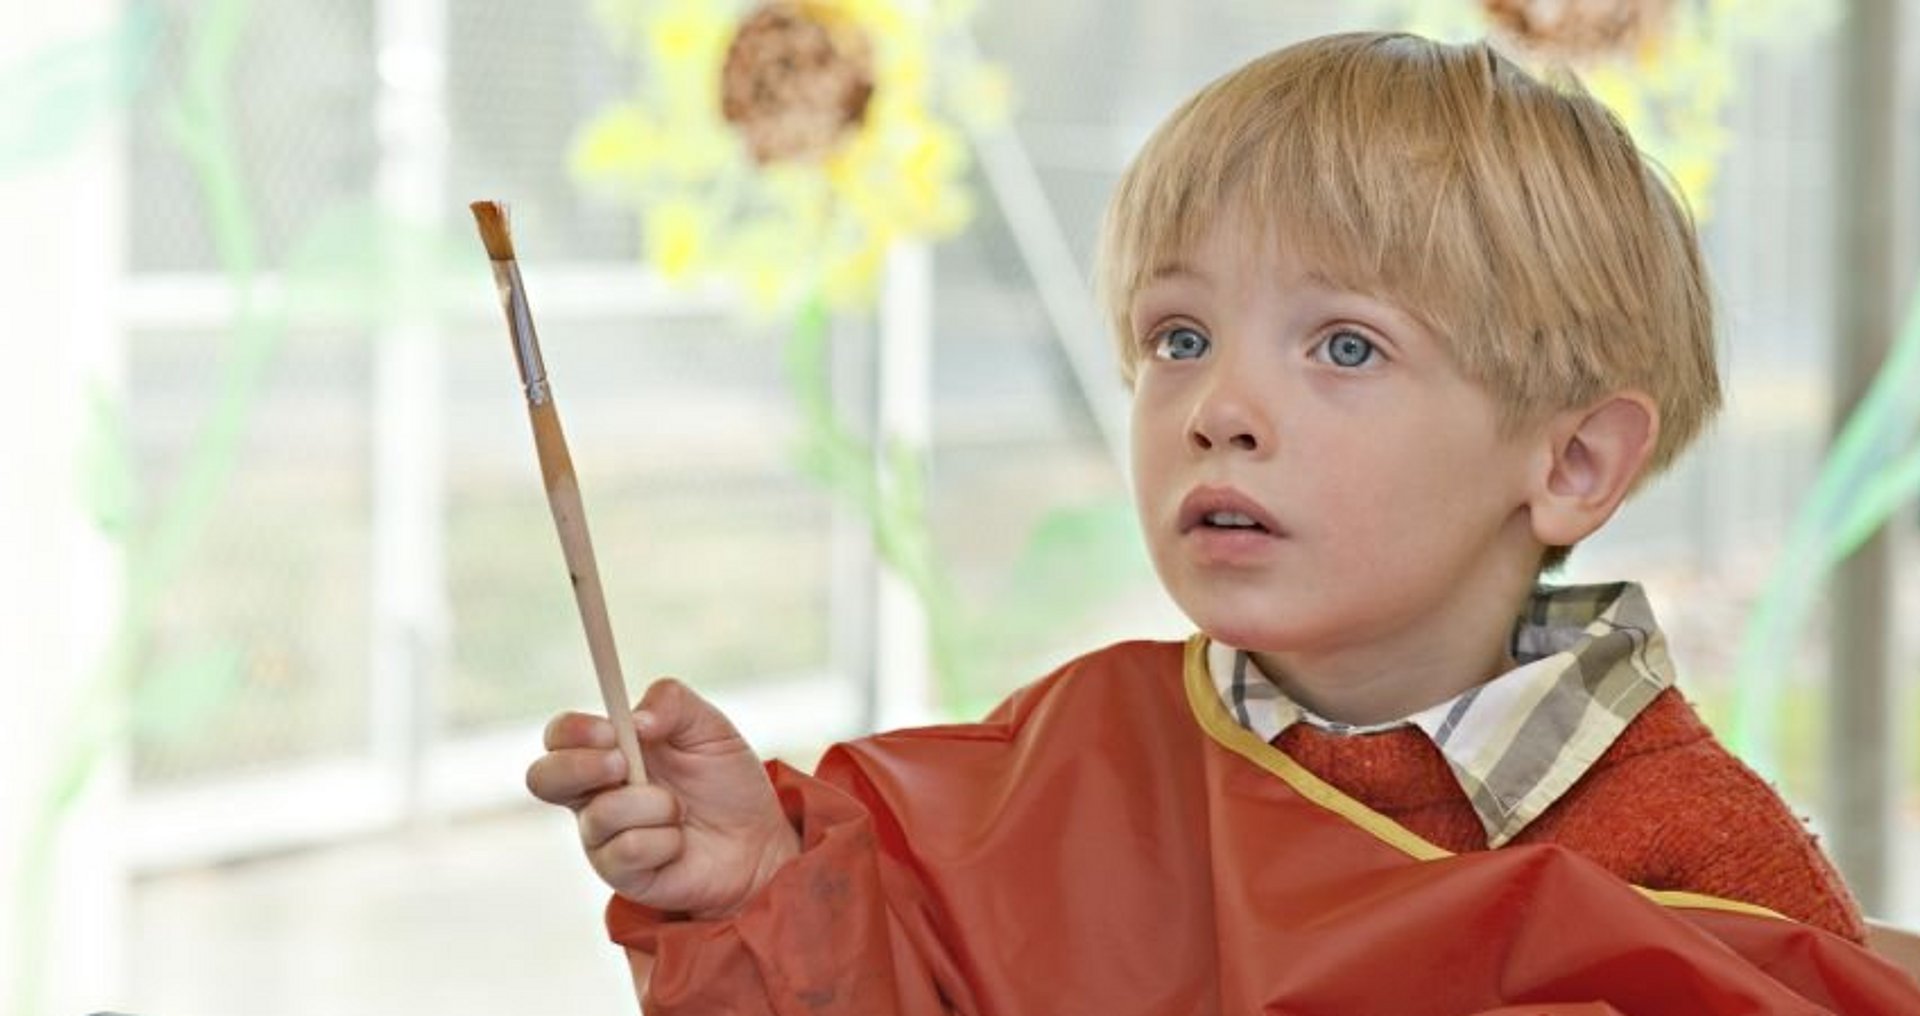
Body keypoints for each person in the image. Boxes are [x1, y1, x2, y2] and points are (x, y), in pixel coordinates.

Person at [526, 30, 1920, 1013]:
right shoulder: (1062, 760)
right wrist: (760, 895)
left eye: (1348, 349)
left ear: (1571, 462)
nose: (1219, 406)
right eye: (1178, 334)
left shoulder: (1700, 854)